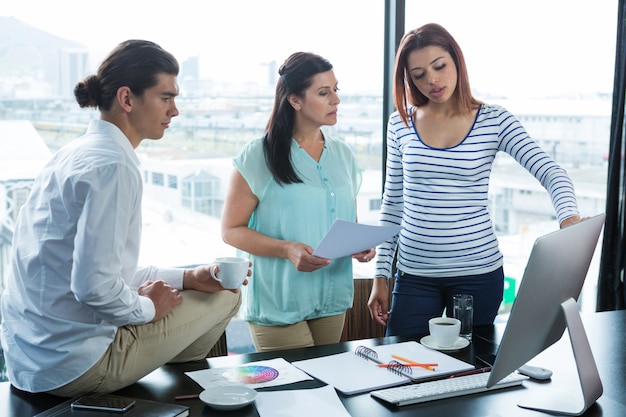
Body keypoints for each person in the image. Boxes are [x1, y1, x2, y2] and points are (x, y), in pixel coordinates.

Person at [0, 40, 244, 397]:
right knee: (228, 296)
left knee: (201, 287)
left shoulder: (73, 153)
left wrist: (188, 277)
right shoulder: (115, 166)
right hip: (76, 368)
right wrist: (148, 308)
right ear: (127, 99)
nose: (174, 111)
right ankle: (189, 392)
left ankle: (175, 373)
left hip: (32, 361)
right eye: (166, 97)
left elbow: (95, 271)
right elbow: (94, 287)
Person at [367, 23, 584, 337]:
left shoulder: (494, 119)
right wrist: (380, 276)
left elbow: (553, 173)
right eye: (418, 74)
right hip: (414, 275)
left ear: (457, 61)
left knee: (470, 371)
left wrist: (569, 221)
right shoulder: (400, 123)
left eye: (439, 66)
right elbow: (393, 205)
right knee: (401, 366)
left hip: (477, 276)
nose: (432, 80)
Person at [221, 52, 375, 352]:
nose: (336, 100)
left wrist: (359, 242)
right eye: (323, 92)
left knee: (325, 389)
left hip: (332, 299)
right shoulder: (257, 155)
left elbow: (345, 222)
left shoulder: (343, 155)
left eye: (335, 90)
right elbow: (231, 230)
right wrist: (287, 249)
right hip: (279, 302)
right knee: (296, 395)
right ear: (295, 100)